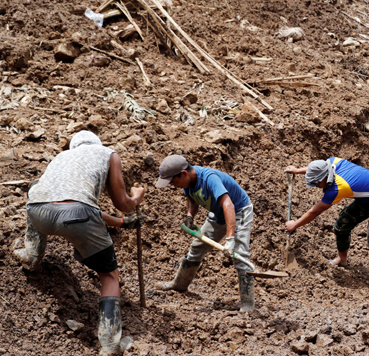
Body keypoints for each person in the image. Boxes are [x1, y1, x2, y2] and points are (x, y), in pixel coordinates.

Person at [13, 131, 145, 356]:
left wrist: (122, 224)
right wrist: (136, 197)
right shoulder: (108, 154)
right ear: (97, 144)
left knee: (39, 190)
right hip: (78, 215)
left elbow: (74, 203)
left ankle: (32, 254)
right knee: (110, 277)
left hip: (38, 211)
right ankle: (110, 344)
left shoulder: (61, 158)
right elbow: (121, 203)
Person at [154, 155, 255, 312]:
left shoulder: (209, 179)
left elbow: (228, 205)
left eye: (173, 181)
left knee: (240, 255)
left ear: (183, 173)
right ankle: (179, 285)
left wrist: (230, 239)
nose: (172, 185)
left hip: (239, 211)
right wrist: (190, 216)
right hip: (218, 213)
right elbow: (192, 199)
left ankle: (248, 305)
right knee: (197, 247)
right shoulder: (188, 182)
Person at [284, 157, 369, 271]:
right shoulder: (332, 161)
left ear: (325, 177)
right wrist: (297, 170)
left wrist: (295, 224)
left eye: (317, 182)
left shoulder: (337, 188)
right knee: (341, 226)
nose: (316, 186)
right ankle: (342, 260)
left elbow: (315, 211)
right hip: (365, 199)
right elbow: (315, 169)